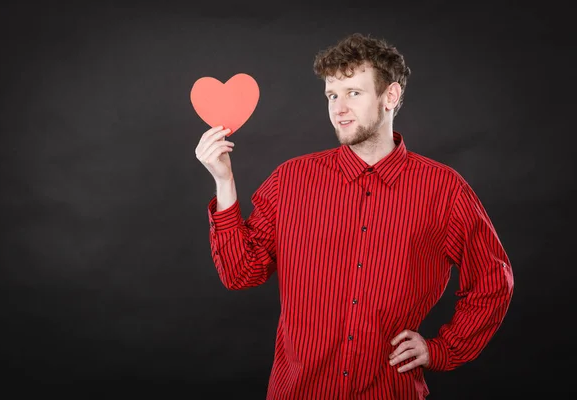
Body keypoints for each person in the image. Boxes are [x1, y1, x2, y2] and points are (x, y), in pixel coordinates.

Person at [195, 32, 514, 400]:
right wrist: (224, 181)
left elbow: (493, 281)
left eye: (354, 93)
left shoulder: (444, 189)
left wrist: (442, 349)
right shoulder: (291, 180)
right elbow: (240, 273)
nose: (338, 108)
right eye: (332, 95)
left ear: (389, 96)